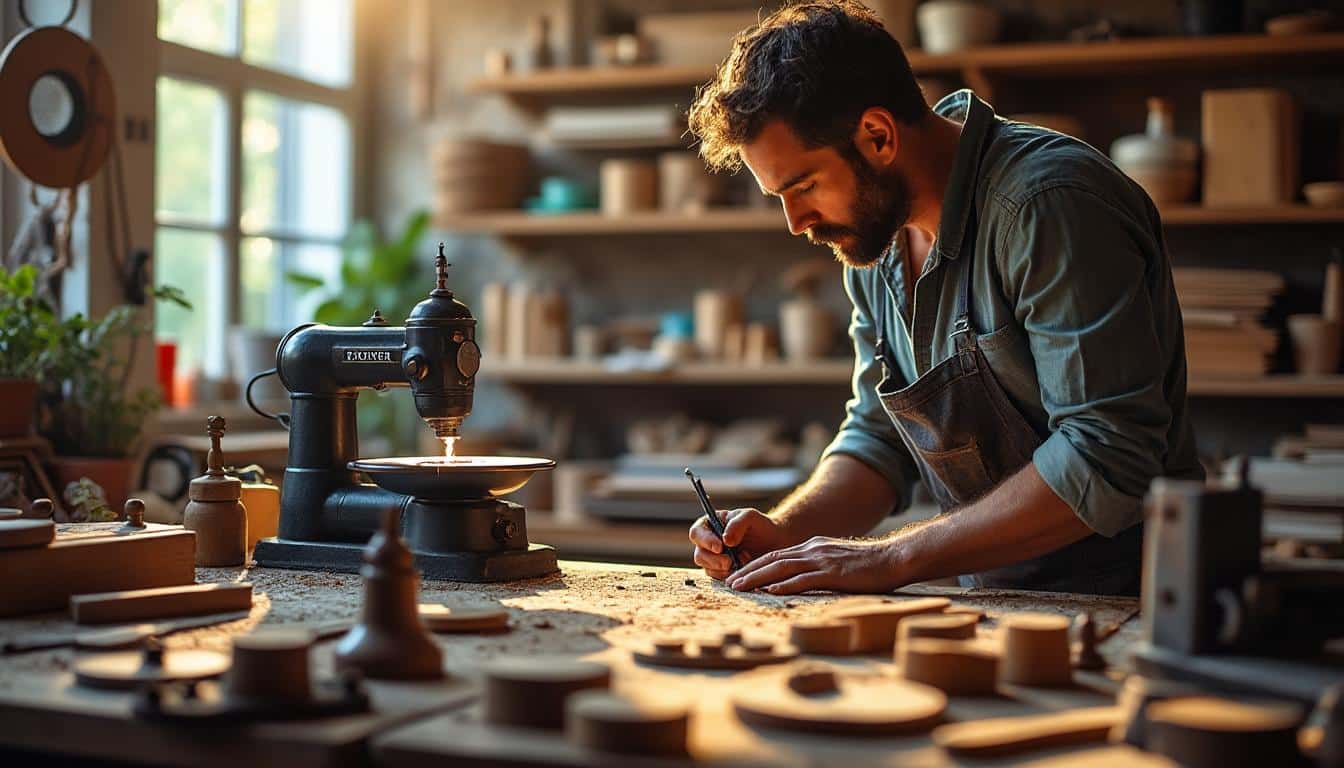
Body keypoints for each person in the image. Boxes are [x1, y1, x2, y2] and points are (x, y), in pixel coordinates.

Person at [684, 0, 1203, 596]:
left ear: (878, 137)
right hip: (998, 599)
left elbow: (1106, 456)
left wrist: (886, 559)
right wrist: (788, 532)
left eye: (803, 187)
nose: (796, 222)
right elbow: (879, 440)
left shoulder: (1048, 205)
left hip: (1137, 598)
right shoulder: (875, 241)